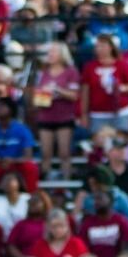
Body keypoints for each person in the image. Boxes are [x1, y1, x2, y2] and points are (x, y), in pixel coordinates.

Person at [34, 42, 80, 180]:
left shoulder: (71, 71)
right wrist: (44, 95)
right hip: (45, 117)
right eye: (49, 52)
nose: (50, 54)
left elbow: (74, 95)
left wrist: (58, 91)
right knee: (45, 153)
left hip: (64, 117)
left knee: (64, 153)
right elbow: (38, 99)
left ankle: (66, 180)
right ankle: (46, 180)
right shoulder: (42, 72)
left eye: (53, 52)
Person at [80, 34, 128, 134]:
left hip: (120, 112)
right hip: (98, 114)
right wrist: (84, 114)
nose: (99, 49)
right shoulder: (90, 67)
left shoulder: (122, 65)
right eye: (97, 46)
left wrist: (120, 88)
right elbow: (85, 92)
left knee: (120, 143)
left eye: (102, 46)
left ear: (111, 47)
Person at [77, 189, 128, 257]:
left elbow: (126, 246)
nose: (96, 202)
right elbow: (83, 248)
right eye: (95, 199)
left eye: (100, 198)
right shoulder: (87, 223)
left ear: (110, 201)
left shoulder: (121, 221)